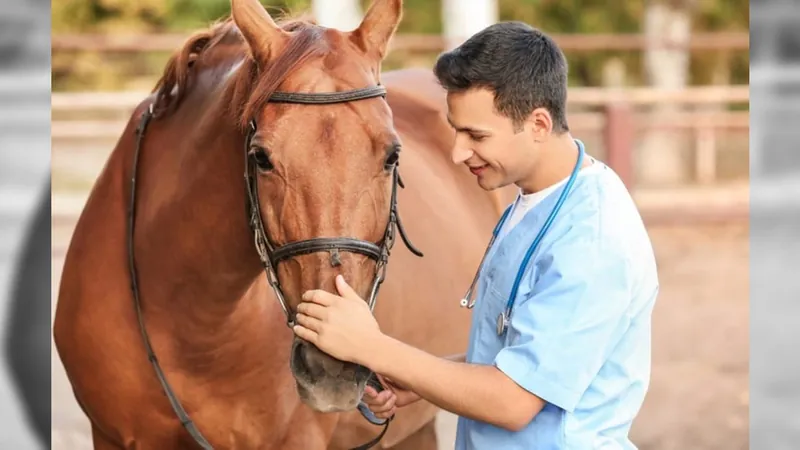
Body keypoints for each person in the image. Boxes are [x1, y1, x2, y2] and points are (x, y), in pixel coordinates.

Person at [293, 21, 659, 449]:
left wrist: (373, 348)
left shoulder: (591, 241)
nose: (458, 152)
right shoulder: (536, 199)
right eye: (456, 130)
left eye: (476, 135)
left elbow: (513, 401)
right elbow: (531, 349)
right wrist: (424, 376)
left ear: (538, 124)